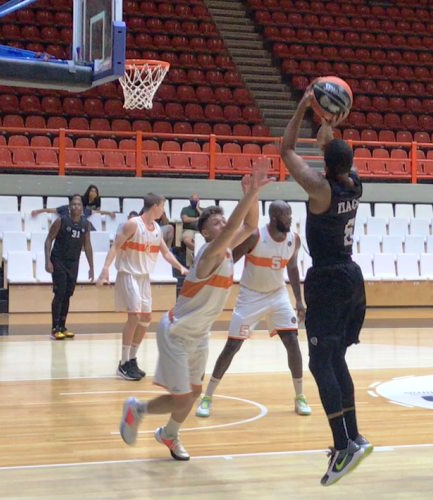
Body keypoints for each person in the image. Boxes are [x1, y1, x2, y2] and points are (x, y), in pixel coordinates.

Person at [119, 160, 273, 461]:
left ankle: (169, 434)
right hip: (177, 332)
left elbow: (249, 226)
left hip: (199, 335)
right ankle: (137, 410)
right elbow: (235, 226)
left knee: (192, 395)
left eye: (223, 220)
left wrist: (253, 194)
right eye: (216, 223)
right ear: (204, 231)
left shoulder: (225, 249)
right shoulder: (208, 254)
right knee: (181, 399)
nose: (223, 224)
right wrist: (249, 194)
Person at [280, 86, 371, 487]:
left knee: (320, 363)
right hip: (351, 276)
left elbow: (286, 150)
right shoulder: (355, 183)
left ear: (325, 161)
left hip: (328, 280)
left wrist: (304, 106)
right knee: (337, 360)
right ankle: (355, 437)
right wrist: (329, 125)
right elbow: (331, 150)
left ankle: (343, 445)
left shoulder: (321, 188)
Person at [196, 200, 310, 418]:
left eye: (290, 214)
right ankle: (207, 396)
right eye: (286, 215)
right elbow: (229, 259)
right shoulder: (255, 236)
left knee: (292, 342)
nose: (290, 219)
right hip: (250, 296)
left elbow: (293, 267)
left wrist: (298, 300)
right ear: (274, 218)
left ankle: (299, 396)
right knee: (232, 346)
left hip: (277, 295)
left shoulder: (294, 239)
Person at [97, 193, 188, 381]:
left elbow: (165, 253)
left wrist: (180, 267)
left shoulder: (157, 229)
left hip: (144, 277)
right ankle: (123, 363)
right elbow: (115, 247)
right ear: (155, 206)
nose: (163, 210)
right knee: (135, 316)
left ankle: (132, 359)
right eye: (162, 206)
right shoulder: (132, 224)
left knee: (146, 317)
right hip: (128, 274)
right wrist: (105, 269)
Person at [44, 194, 93, 340]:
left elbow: (87, 245)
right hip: (58, 260)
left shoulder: (85, 224)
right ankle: (55, 328)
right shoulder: (61, 221)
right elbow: (48, 240)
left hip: (73, 262)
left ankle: (62, 327)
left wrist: (91, 266)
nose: (76, 207)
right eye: (74, 204)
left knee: (67, 294)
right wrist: (47, 261)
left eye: (79, 204)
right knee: (59, 293)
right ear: (69, 207)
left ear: (82, 208)